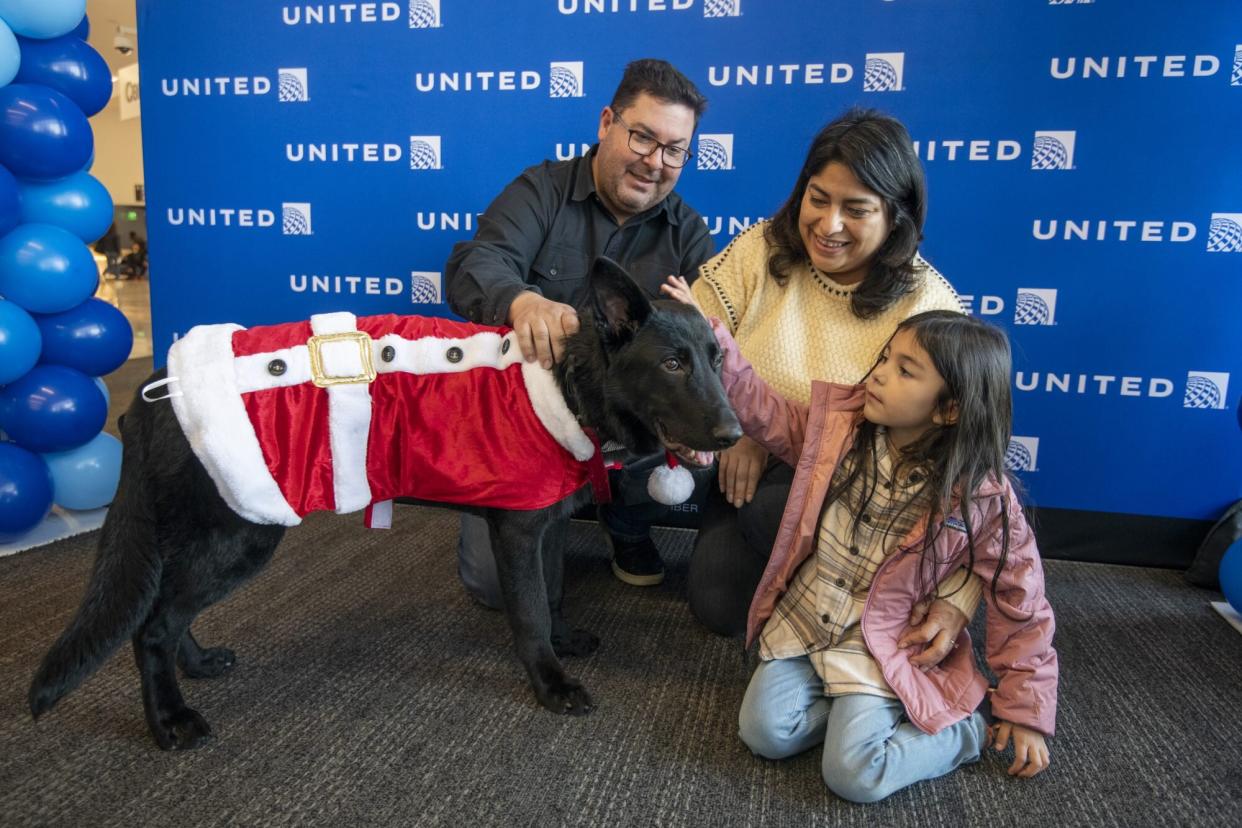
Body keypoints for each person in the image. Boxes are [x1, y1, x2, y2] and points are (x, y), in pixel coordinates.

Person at [661, 295, 1059, 801]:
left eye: (905, 371)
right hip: (807, 622)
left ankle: (962, 732)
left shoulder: (982, 495)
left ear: (950, 408)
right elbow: (765, 412)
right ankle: (877, 710)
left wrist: (1024, 712)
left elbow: (1021, 603)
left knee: (854, 777)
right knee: (764, 734)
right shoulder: (839, 430)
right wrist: (713, 340)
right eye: (885, 358)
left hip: (882, 643)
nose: (878, 375)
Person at [668, 108, 970, 640]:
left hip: (857, 486)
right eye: (817, 198)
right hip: (747, 466)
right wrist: (734, 426)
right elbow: (691, 333)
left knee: (770, 513)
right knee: (717, 605)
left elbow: (951, 453)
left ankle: (845, 596)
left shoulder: (929, 302)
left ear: (895, 216)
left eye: (855, 209)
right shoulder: (760, 248)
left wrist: (773, 440)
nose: (828, 225)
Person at [444, 59, 715, 607]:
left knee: (710, 431)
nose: (655, 162)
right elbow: (477, 262)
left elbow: (712, 345)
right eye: (643, 137)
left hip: (626, 432)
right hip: (527, 428)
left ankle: (629, 523)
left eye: (675, 150)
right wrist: (521, 300)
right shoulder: (539, 191)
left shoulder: (688, 232)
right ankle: (539, 521)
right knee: (494, 589)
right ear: (607, 123)